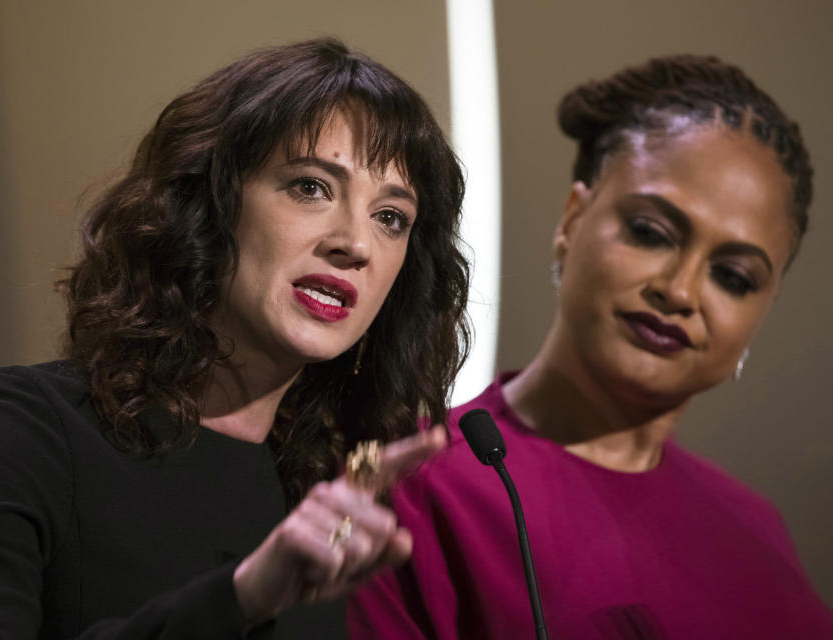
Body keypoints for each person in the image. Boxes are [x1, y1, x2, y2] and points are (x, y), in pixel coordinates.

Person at [0, 38, 470, 639]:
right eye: (310, 187)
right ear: (210, 202)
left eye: (391, 218)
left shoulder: (330, 499)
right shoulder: (15, 430)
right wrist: (240, 598)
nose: (355, 243)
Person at [350, 54, 833, 638]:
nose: (680, 291)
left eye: (733, 277)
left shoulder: (761, 533)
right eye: (651, 233)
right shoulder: (416, 484)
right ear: (573, 219)